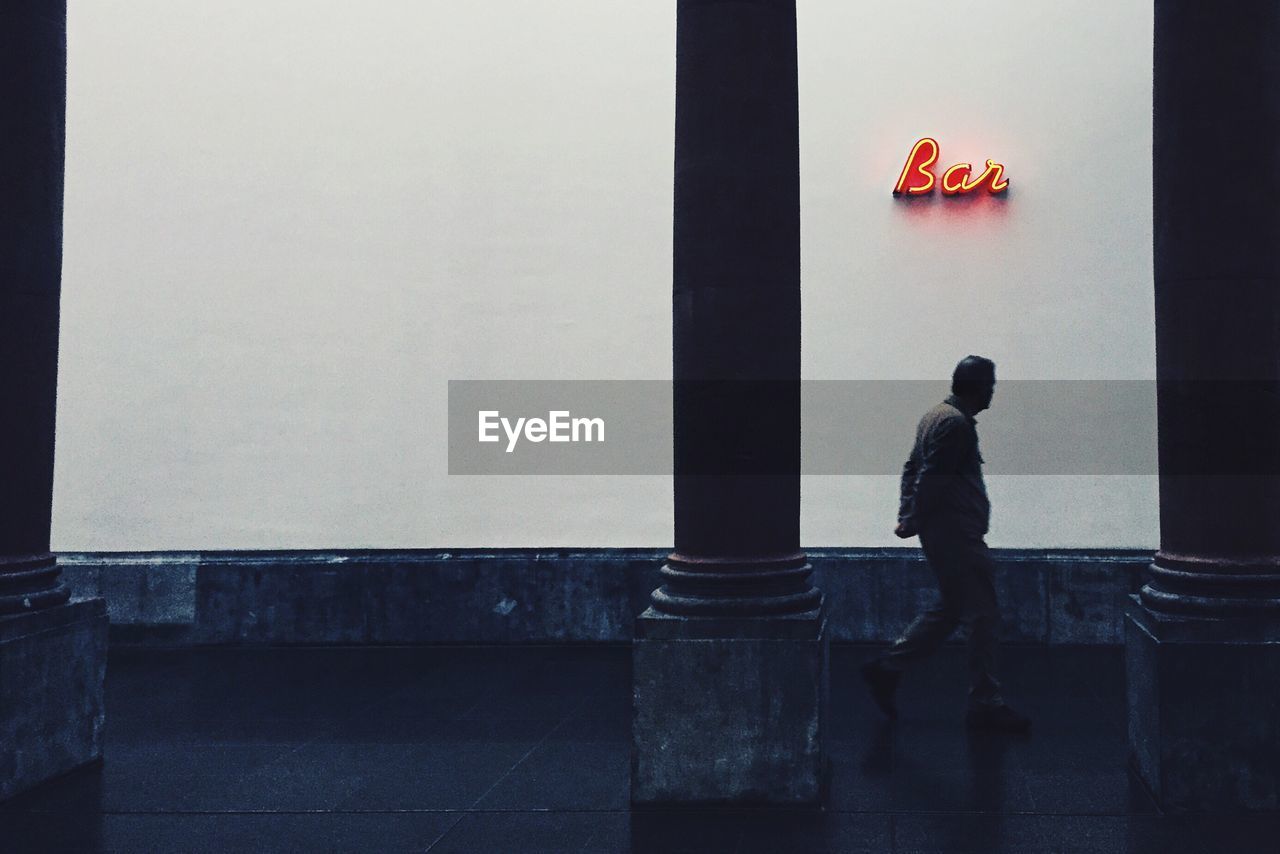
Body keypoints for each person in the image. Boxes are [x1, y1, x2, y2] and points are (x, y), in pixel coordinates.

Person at [860, 355, 1031, 732]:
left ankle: (888, 667)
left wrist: (908, 515)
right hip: (956, 533)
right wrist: (914, 517)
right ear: (976, 386)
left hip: (943, 531)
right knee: (983, 614)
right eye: (991, 384)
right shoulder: (955, 425)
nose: (993, 392)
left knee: (952, 608)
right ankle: (986, 703)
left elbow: (912, 469)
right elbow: (932, 479)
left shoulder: (935, 416)